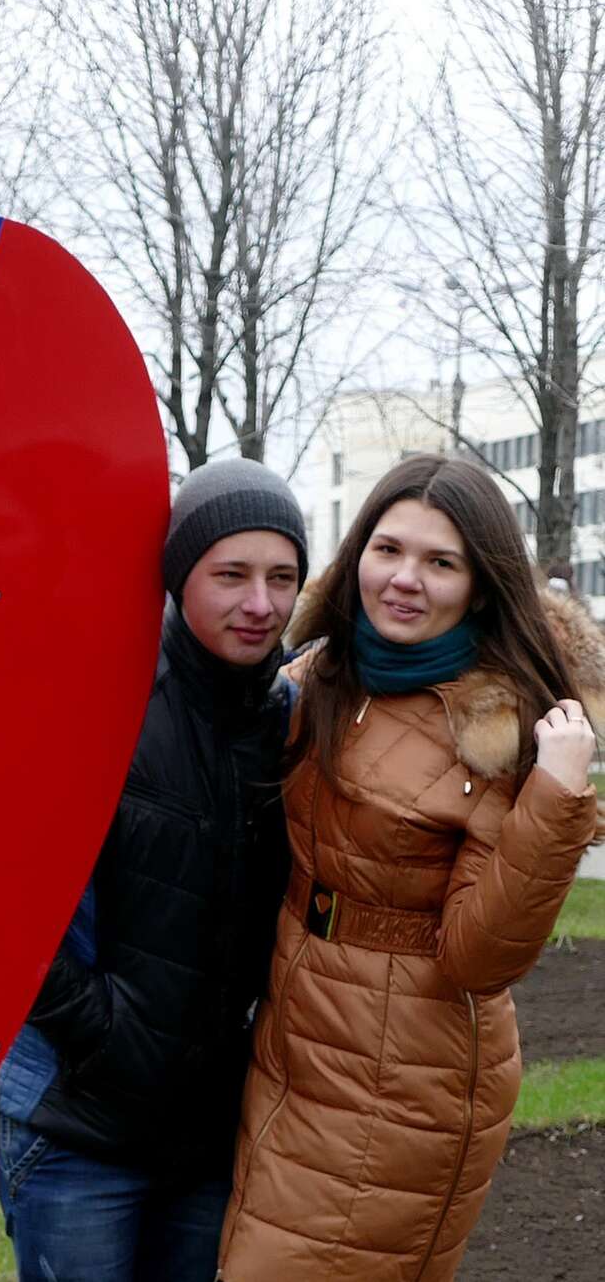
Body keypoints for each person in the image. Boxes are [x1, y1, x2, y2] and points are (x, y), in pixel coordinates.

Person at [218, 453, 604, 1280]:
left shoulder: (499, 728)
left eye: (440, 562)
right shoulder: (321, 673)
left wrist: (555, 797)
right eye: (389, 549)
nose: (404, 579)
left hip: (402, 1078)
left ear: (480, 586)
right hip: (294, 1038)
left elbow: (479, 957)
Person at [0, 457, 308, 1280]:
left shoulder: (289, 723)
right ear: (178, 575)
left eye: (281, 578)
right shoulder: (98, 698)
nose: (260, 603)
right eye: (231, 574)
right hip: (76, 1126)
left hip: (206, 1138)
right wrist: (103, 1033)